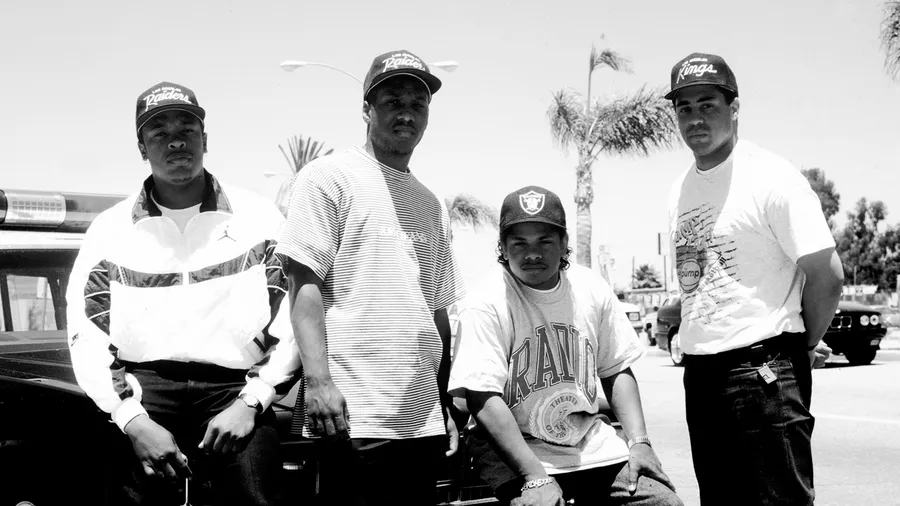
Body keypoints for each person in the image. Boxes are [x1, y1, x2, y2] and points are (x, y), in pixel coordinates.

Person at [66, 81, 300, 506]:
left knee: (257, 500)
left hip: (235, 389)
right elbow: (86, 334)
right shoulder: (109, 229)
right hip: (144, 390)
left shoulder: (258, 217)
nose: (175, 141)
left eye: (187, 129)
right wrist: (131, 419)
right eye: (159, 132)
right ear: (142, 147)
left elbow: (292, 317)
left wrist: (253, 401)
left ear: (204, 140)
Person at [276, 49, 466, 505]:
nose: (407, 114)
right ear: (366, 109)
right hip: (351, 413)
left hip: (420, 416)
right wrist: (319, 382)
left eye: (418, 104)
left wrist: (442, 402)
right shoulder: (327, 178)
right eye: (393, 101)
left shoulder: (431, 203)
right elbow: (304, 287)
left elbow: (437, 313)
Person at [665, 53, 844, 505]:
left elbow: (827, 275)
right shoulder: (680, 189)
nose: (695, 118)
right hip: (701, 374)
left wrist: (801, 345)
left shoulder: (770, 177)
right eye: (685, 108)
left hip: (763, 372)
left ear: (735, 108)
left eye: (708, 105)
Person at [449, 186, 683, 506]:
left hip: (586, 441)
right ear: (502, 246)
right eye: (519, 242)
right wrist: (536, 477)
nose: (533, 253)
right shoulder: (485, 300)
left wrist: (640, 442)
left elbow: (616, 369)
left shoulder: (591, 288)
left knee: (663, 503)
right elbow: (482, 398)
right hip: (510, 447)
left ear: (564, 243)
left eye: (545, 241)